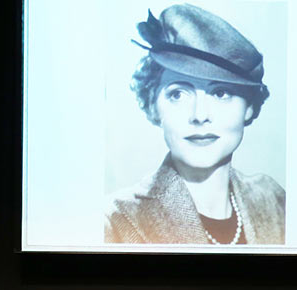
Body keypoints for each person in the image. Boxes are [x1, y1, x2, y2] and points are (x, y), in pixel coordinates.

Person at [104, 4, 285, 245]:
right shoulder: (117, 220)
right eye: (178, 94)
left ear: (249, 106)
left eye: (221, 93)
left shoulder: (273, 200)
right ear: (153, 105)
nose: (200, 115)